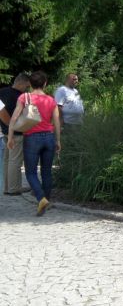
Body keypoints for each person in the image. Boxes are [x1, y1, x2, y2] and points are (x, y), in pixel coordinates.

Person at [8, 71, 61, 216]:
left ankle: (41, 199)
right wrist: (58, 140)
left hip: (32, 138)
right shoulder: (51, 100)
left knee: (31, 172)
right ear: (45, 84)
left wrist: (10, 137)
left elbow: (14, 118)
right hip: (49, 138)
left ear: (30, 84)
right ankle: (45, 202)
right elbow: (56, 122)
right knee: (46, 172)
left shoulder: (24, 97)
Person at [0, 73, 31, 195]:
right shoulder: (21, 96)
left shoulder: (2, 92)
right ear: (21, 82)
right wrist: (12, 126)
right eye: (27, 86)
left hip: (5, 132)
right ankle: (14, 188)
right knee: (15, 161)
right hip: (17, 133)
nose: (27, 88)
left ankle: (7, 188)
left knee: (7, 160)